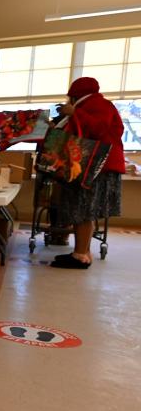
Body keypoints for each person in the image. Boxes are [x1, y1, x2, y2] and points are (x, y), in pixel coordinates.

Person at [50, 76, 124, 269]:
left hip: (96, 167)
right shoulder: (99, 105)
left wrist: (74, 113)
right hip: (99, 166)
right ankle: (83, 252)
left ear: (75, 95)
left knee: (83, 210)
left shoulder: (99, 105)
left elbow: (99, 129)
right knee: (84, 210)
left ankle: (80, 255)